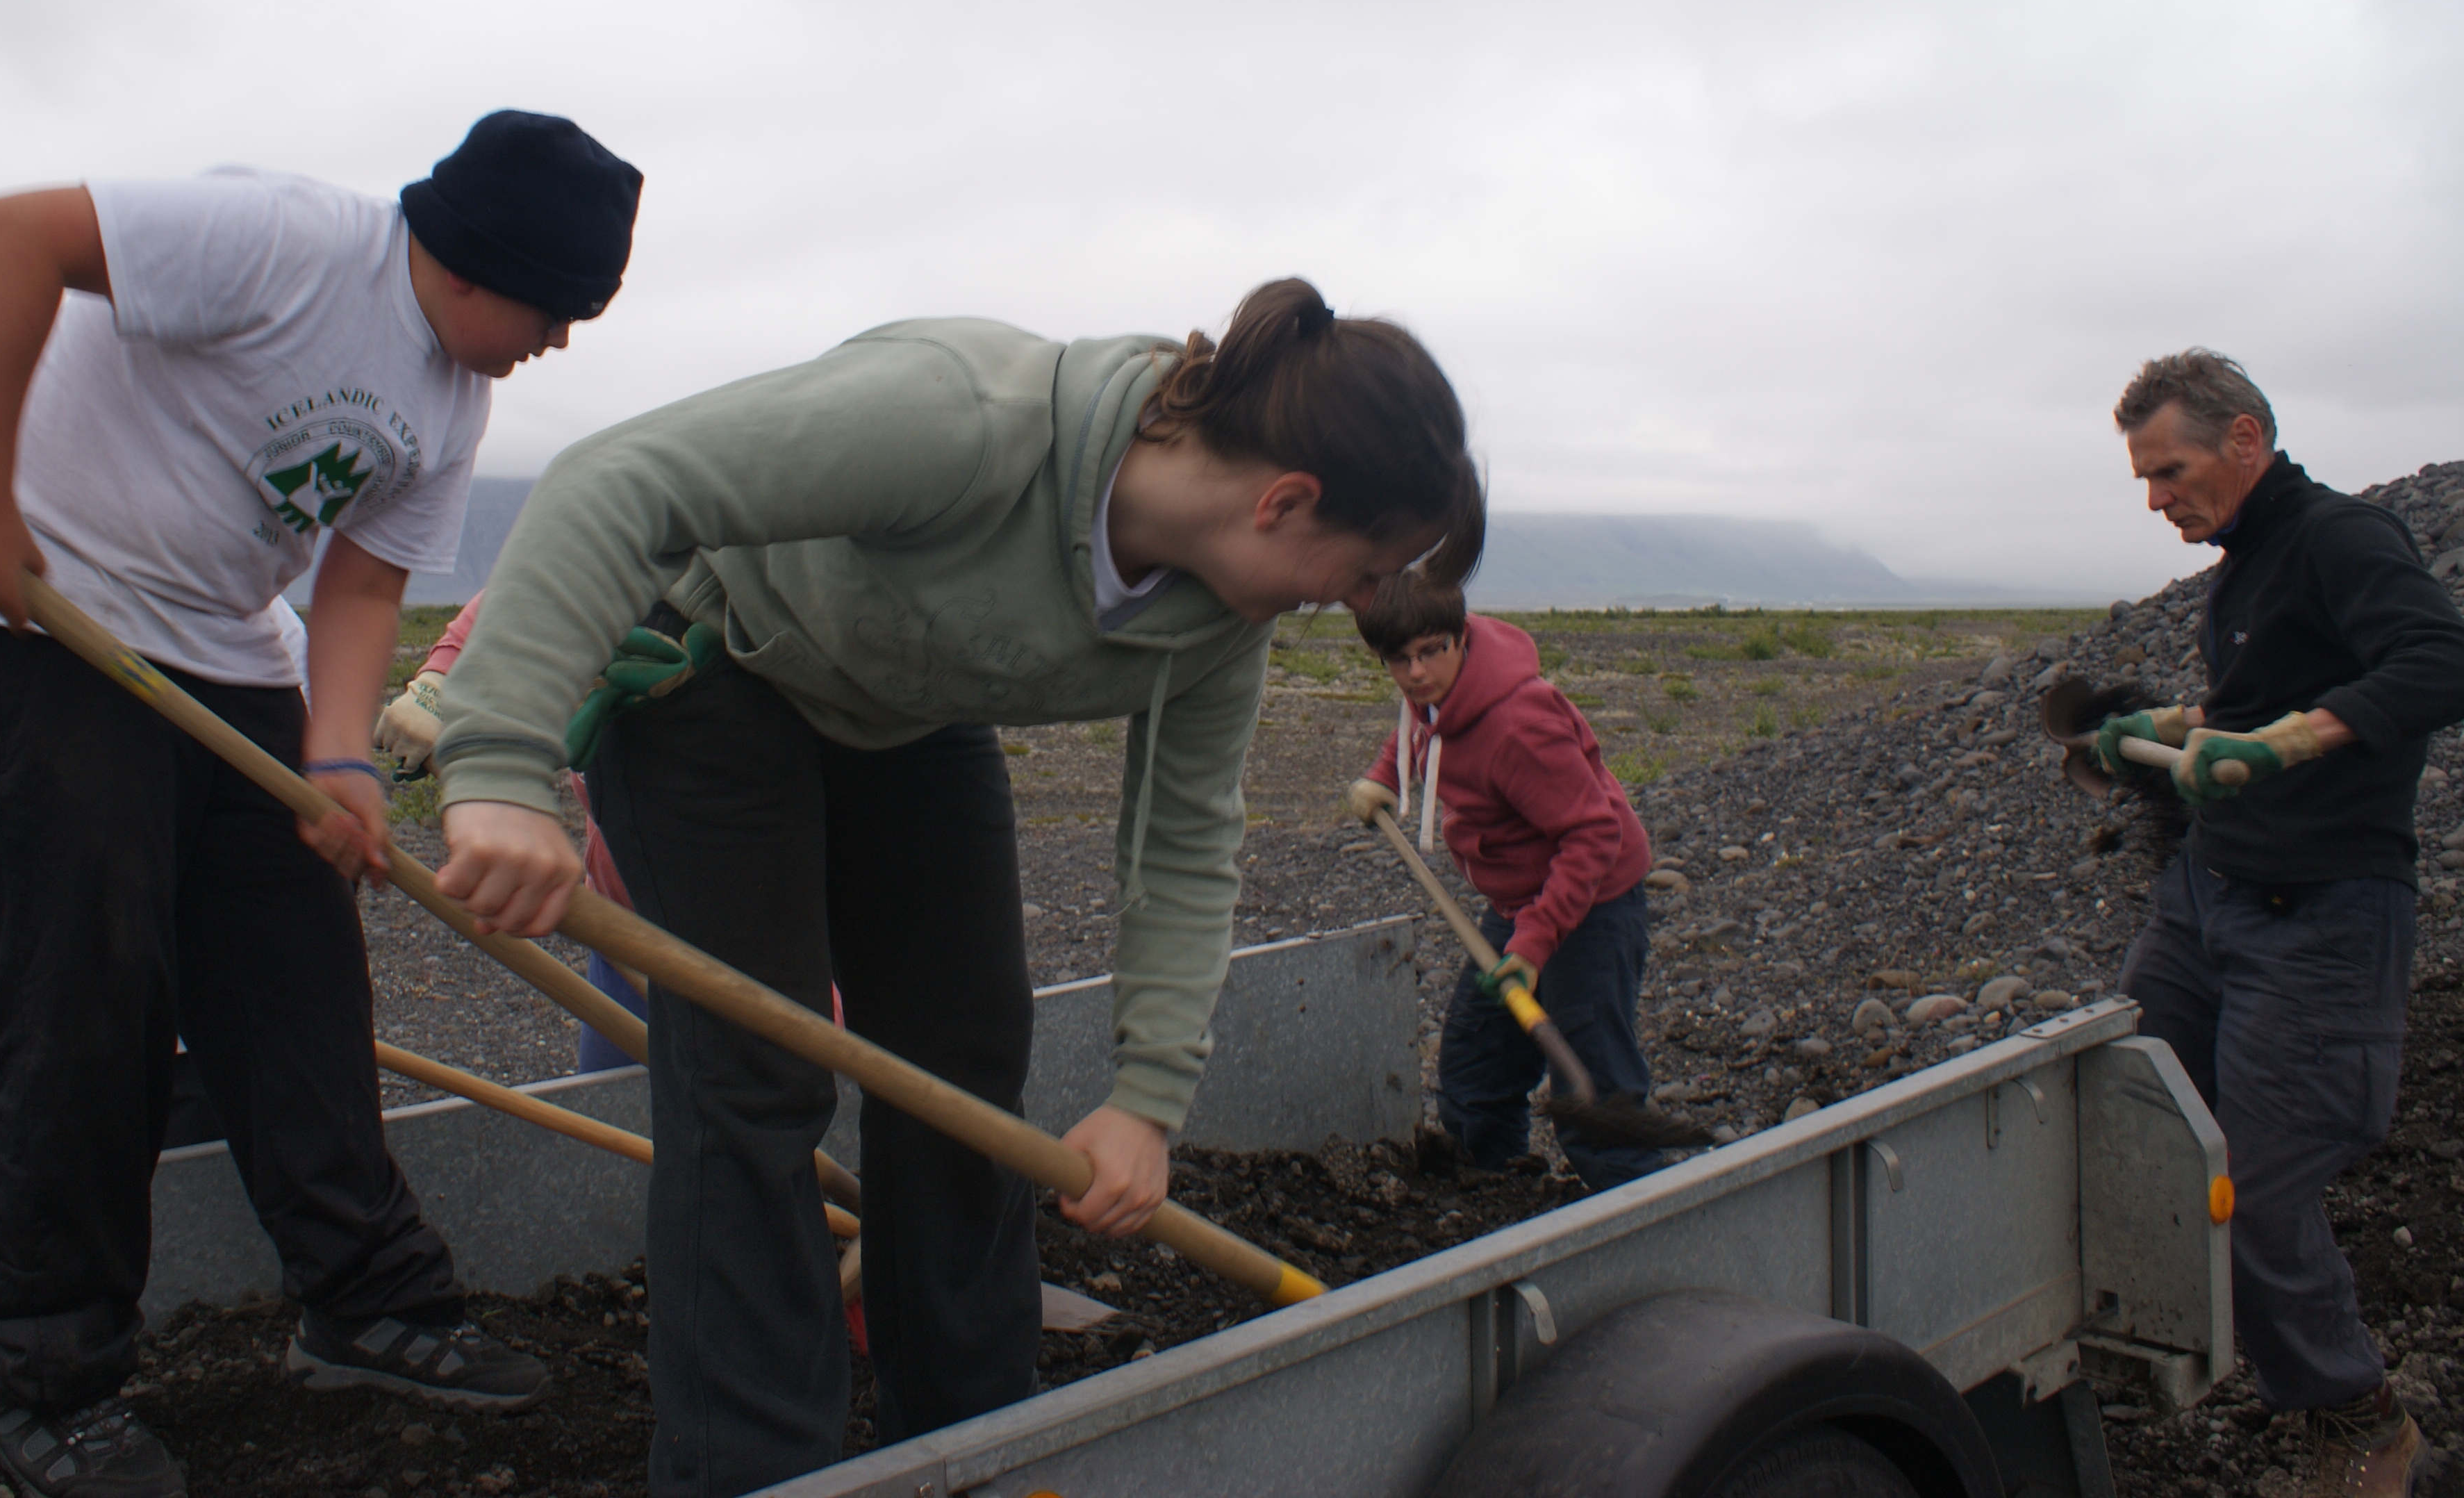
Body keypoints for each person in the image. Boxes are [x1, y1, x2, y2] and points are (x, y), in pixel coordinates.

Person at [423, 278, 1481, 1496]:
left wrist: (1147, 1095)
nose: (1352, 602)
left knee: (965, 1057)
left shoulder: (1216, 620)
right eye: (1363, 568)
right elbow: (617, 480)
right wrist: (498, 761)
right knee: (753, 1079)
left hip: (902, 704)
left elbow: (1182, 838)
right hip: (715, 667)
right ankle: (753, 1470)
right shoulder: (964, 416)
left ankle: (974, 1439)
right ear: (1286, 500)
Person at [0, 110, 643, 1498]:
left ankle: (368, 1299)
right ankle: (39, 1383)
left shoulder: (453, 398)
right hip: (52, 621)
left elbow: (360, 588)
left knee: (298, 983)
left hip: (228, 649)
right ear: (481, 264)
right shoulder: (291, 242)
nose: (556, 341)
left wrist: (342, 764)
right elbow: (12, 235)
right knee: (90, 1003)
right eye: (555, 310)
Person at [2092, 349, 2464, 1498]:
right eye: (2143, 479)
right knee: (2126, 1106)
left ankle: (2360, 1422)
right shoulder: (2247, 565)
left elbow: (2436, 660)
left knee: (2253, 1187)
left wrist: (2287, 745)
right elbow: (2256, 701)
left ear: (2244, 438)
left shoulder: (2340, 537)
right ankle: (2135, 1334)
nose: (2156, 498)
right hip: (2208, 900)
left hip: (2316, 917)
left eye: (2170, 470)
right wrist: (2165, 721)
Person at [0, 602, 304, 1185]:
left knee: (195, 1257)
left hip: (197, 1042)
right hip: (16, 1024)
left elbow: (295, 815)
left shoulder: (261, 618)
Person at [1341, 576, 1661, 1192]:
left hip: (1591, 902)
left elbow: (1594, 836)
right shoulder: (1431, 688)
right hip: (1520, 903)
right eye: (1399, 660)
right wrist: (1386, 774)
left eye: (1432, 651)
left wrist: (1534, 944)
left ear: (1462, 637)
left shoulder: (1520, 724)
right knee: (1475, 1074)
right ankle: (1494, 1206)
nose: (1416, 673)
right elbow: (1418, 724)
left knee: (1594, 1099)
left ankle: (1644, 1222)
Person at [376, 595, 650, 1073]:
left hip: (756, 957)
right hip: (624, 936)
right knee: (620, 1120)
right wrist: (437, 684)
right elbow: (517, 593)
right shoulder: (620, 553)